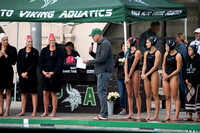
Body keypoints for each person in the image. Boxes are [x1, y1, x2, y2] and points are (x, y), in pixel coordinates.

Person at [83, 28, 113, 120]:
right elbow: (99, 57)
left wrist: (90, 61)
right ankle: (103, 113)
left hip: (104, 71)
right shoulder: (101, 44)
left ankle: (104, 114)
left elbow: (103, 58)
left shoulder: (105, 44)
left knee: (101, 93)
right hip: (101, 71)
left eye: (93, 36)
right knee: (101, 92)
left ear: (98, 35)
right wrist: (91, 53)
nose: (92, 38)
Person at [39, 33, 64, 117]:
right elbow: (40, 62)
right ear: (48, 41)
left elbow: (60, 63)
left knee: (53, 93)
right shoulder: (44, 50)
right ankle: (45, 111)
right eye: (50, 40)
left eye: (53, 40)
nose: (52, 41)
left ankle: (53, 112)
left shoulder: (60, 50)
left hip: (55, 75)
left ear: (55, 41)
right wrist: (43, 72)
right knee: (45, 93)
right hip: (45, 74)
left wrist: (53, 72)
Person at [16, 35, 39, 117]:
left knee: (33, 93)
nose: (30, 43)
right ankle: (23, 111)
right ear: (25, 42)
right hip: (22, 76)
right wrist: (21, 73)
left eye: (31, 42)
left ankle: (34, 111)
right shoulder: (21, 52)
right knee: (23, 93)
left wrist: (27, 73)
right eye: (29, 42)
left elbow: (34, 64)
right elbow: (18, 64)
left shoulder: (35, 52)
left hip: (31, 76)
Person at [141, 36, 161, 120]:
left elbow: (155, 66)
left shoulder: (157, 53)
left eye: (147, 42)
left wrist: (146, 74)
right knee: (147, 95)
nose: (146, 44)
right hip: (146, 75)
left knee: (155, 95)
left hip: (154, 74)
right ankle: (148, 115)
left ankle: (156, 115)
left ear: (152, 43)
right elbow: (144, 64)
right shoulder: (146, 53)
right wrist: (142, 73)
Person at [162, 40, 182, 121]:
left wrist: (168, 76)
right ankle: (168, 115)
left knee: (175, 97)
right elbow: (163, 65)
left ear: (171, 47)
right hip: (166, 76)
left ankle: (176, 115)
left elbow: (178, 69)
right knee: (167, 97)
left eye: (166, 46)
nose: (165, 48)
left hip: (173, 76)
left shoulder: (178, 55)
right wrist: (164, 74)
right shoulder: (166, 54)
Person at [124, 37, 142, 120]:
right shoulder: (128, 53)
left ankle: (138, 113)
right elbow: (126, 65)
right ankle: (130, 113)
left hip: (135, 72)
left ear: (131, 43)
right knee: (129, 94)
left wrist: (129, 76)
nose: (126, 45)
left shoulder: (137, 52)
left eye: (127, 43)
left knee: (136, 94)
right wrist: (126, 76)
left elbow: (133, 66)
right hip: (128, 73)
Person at [0, 33, 17, 116]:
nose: (5, 41)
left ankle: (7, 111)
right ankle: (0, 110)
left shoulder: (12, 49)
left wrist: (5, 54)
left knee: (8, 91)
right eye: (4, 40)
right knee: (0, 91)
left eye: (6, 39)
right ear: (0, 40)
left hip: (8, 72)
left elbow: (13, 62)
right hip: (0, 71)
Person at [182, 45, 200, 122]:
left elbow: (198, 72)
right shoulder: (187, 60)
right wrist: (186, 79)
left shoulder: (199, 60)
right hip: (188, 83)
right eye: (188, 50)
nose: (188, 51)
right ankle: (190, 116)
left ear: (194, 51)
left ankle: (198, 116)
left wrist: (192, 81)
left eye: (190, 50)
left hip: (196, 83)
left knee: (198, 99)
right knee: (189, 99)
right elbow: (184, 71)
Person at [114, 42, 127, 115]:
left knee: (131, 94)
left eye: (125, 46)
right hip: (120, 77)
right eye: (122, 46)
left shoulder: (130, 54)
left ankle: (132, 110)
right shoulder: (119, 55)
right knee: (121, 95)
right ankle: (123, 109)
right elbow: (114, 64)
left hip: (129, 77)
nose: (124, 47)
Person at [175, 33, 188, 111]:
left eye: (177, 37)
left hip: (181, 70)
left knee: (182, 88)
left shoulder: (182, 47)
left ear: (180, 38)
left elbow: (181, 59)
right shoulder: (180, 47)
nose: (175, 38)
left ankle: (183, 105)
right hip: (181, 70)